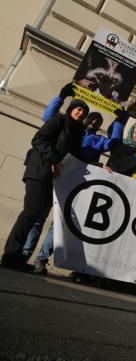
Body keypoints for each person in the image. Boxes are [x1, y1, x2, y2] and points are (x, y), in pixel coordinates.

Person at [23, 86, 126, 274]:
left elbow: (114, 144)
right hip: (50, 176)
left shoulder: (97, 140)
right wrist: (61, 97)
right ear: (84, 118)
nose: (94, 121)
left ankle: (41, 259)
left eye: (98, 120)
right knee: (38, 217)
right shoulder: (67, 128)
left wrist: (119, 122)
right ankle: (24, 254)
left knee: (60, 223)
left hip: (74, 183)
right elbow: (48, 117)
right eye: (91, 117)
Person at [1, 84, 89, 270]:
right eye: (79, 109)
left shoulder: (77, 132)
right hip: (39, 171)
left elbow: (76, 157)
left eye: (84, 112)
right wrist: (55, 159)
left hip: (54, 178)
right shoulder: (58, 120)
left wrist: (99, 167)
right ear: (71, 109)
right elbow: (38, 140)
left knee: (36, 217)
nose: (81, 113)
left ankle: (17, 258)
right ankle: (9, 256)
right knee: (30, 213)